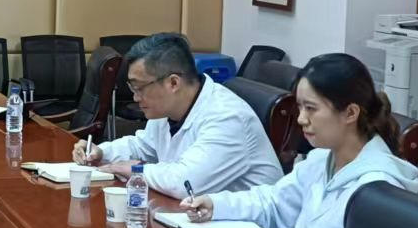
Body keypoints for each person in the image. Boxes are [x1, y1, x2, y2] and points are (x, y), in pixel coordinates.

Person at [178, 53, 418, 228]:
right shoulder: (322, 160)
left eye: (311, 108)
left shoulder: (377, 189)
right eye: (300, 107)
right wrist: (216, 204)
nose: (301, 119)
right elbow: (273, 203)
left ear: (350, 113)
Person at [73, 32, 280, 195]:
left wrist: (136, 170)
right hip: (195, 219)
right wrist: (101, 152)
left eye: (139, 88)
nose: (135, 98)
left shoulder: (228, 117)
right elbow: (144, 146)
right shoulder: (167, 108)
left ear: (173, 83)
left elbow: (185, 183)